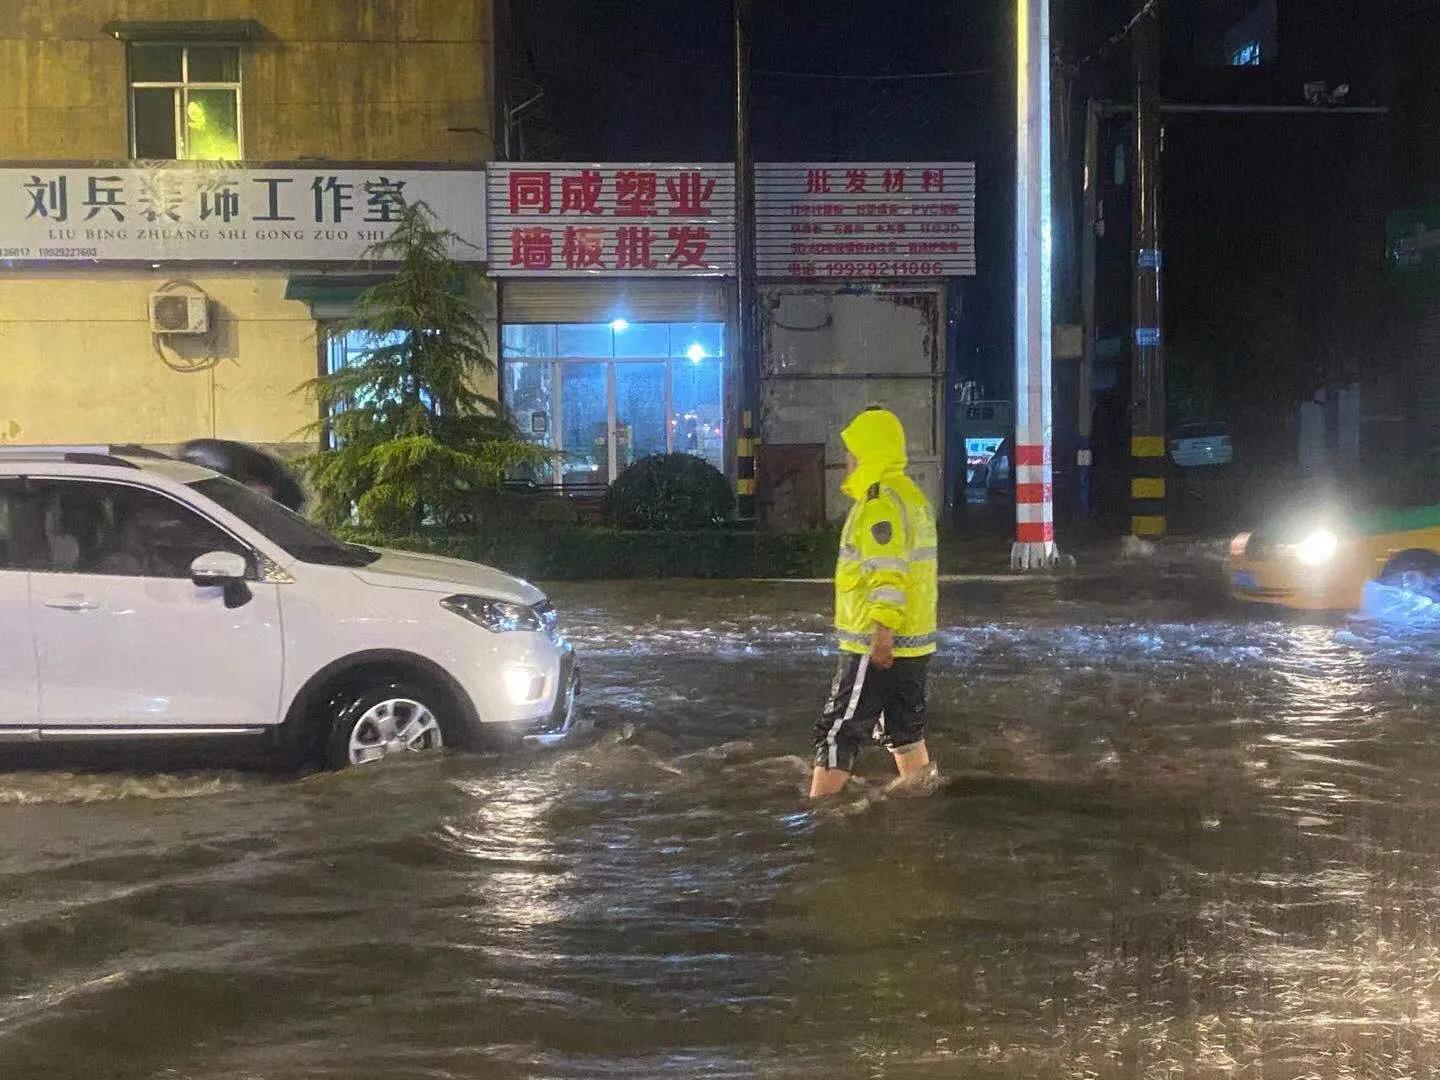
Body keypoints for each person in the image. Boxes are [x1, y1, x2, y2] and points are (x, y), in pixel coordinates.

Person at [811, 407, 939, 798]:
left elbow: (887, 571)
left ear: (868, 452)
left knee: (839, 731)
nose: (846, 459)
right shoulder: (911, 497)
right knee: (904, 733)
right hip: (913, 640)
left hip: (874, 642)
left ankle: (821, 815)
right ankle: (921, 806)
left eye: (852, 450)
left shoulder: (879, 502)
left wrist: (882, 630)